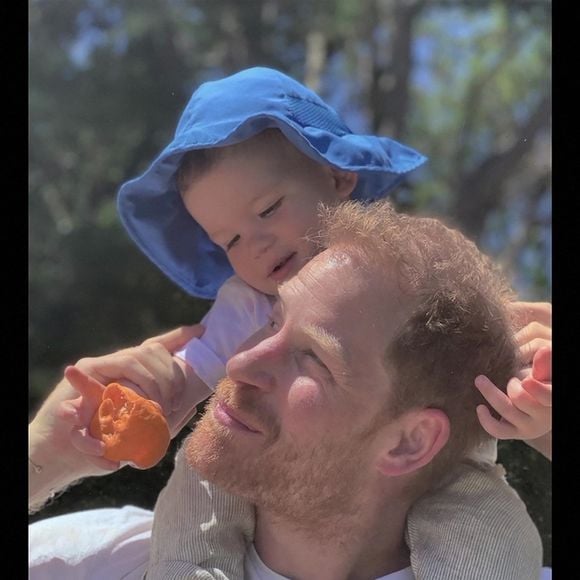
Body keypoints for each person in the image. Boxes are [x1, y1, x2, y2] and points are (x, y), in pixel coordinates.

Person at [29, 67, 551, 577]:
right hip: (235, 468)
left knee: (484, 516)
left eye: (269, 209)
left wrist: (538, 408)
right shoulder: (245, 303)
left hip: (451, 475)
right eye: (228, 241)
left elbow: (498, 358)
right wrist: (120, 409)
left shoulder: (419, 278)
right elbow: (193, 369)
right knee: (202, 469)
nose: (252, 244)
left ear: (338, 175)